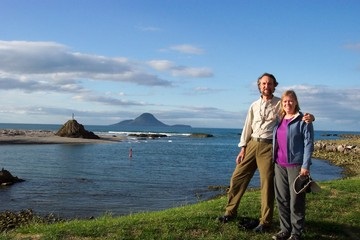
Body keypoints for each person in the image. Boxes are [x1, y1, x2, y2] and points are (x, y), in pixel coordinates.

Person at [218, 73, 314, 234]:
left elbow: (295, 113)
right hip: (252, 144)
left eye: (269, 84)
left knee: (267, 184)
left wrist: (311, 117)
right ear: (259, 86)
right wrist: (243, 148)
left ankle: (265, 221)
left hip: (269, 147)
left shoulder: (279, 104)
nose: (266, 86)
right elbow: (247, 126)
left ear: (274, 86)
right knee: (237, 178)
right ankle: (230, 211)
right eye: (263, 84)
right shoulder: (254, 105)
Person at [271, 90, 314, 240]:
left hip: (296, 165)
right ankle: (285, 230)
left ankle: (296, 232)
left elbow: (308, 143)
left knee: (296, 200)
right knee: (281, 198)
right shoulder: (279, 119)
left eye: (290, 101)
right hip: (279, 164)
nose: (287, 104)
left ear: (295, 102)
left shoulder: (304, 120)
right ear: (281, 104)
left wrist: (306, 165)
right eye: (284, 102)